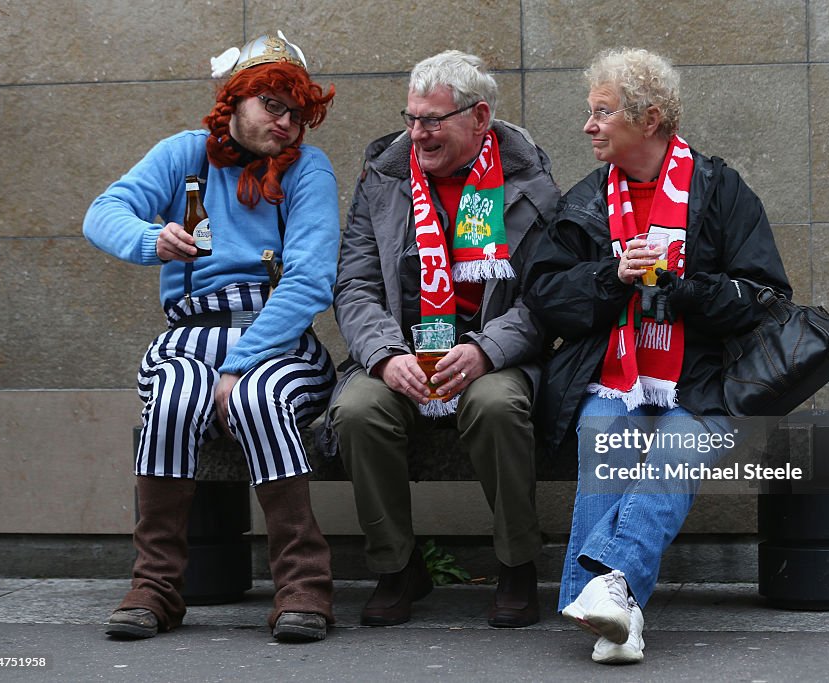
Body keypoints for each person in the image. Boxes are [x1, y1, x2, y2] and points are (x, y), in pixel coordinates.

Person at [524, 48, 791, 664]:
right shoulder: (589, 198)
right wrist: (613, 276)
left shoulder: (720, 189)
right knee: (606, 439)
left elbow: (767, 295)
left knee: (674, 445)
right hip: (611, 379)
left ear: (648, 119)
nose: (588, 126)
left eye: (603, 113)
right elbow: (545, 293)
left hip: (706, 382)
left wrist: (681, 286)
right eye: (589, 113)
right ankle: (621, 612)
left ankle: (604, 591)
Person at [83, 31, 340, 643]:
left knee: (259, 397)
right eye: (272, 106)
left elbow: (308, 281)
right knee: (171, 398)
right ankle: (156, 587)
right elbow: (103, 212)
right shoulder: (183, 154)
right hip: (190, 333)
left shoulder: (309, 168)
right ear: (235, 101)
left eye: (297, 114)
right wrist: (152, 240)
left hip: (276, 336)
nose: (287, 124)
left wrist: (240, 363)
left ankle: (304, 585)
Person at [327, 50, 560, 629]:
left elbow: (547, 297)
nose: (418, 133)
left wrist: (486, 351)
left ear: (479, 118)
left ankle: (516, 564)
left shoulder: (530, 183)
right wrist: (384, 356)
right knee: (357, 410)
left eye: (433, 119)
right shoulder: (383, 178)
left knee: (498, 405)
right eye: (412, 118)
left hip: (493, 354)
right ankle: (398, 567)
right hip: (401, 350)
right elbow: (353, 284)